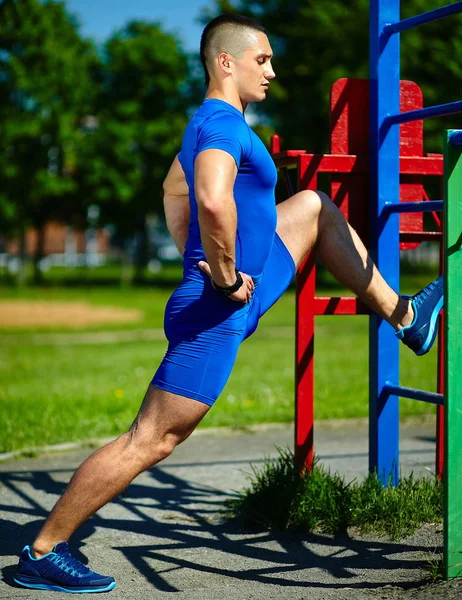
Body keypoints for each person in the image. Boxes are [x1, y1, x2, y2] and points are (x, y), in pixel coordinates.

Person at [14, 14, 444, 593]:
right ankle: (43, 549)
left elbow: (174, 190)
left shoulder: (214, 123)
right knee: (153, 439)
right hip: (217, 308)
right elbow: (212, 201)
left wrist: (212, 259)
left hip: (246, 283)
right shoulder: (220, 123)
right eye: (261, 59)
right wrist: (219, 275)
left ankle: (408, 319)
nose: (271, 69)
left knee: (315, 206)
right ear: (227, 63)